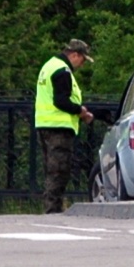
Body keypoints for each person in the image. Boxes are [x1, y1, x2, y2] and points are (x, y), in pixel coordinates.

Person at [35, 39, 95, 213]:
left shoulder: (49, 65)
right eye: (83, 60)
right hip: (58, 127)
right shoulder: (62, 70)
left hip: (45, 124)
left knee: (51, 169)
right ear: (75, 55)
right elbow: (61, 101)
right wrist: (81, 111)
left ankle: (51, 207)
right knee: (59, 170)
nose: (82, 65)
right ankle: (53, 210)